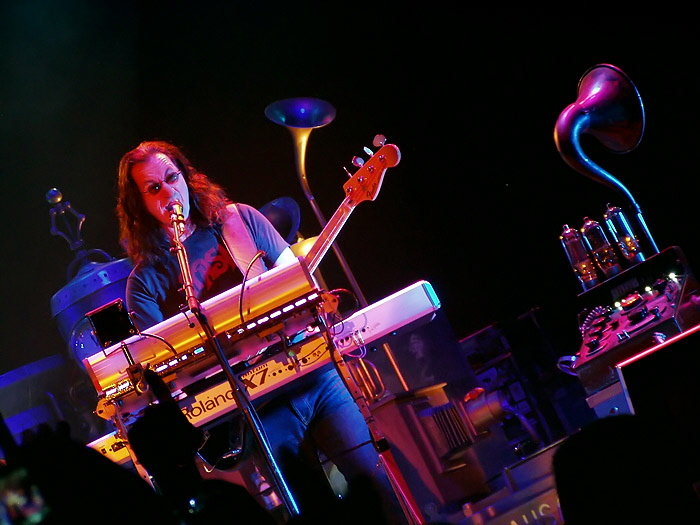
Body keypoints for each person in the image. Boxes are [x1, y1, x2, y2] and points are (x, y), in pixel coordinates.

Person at [115, 140, 407, 524]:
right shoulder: (143, 284)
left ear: (186, 177)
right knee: (313, 512)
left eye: (172, 178)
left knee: (376, 488)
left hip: (313, 376)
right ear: (139, 205)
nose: (169, 192)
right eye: (154, 188)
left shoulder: (239, 219)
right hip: (255, 411)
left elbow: (298, 283)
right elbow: (168, 371)